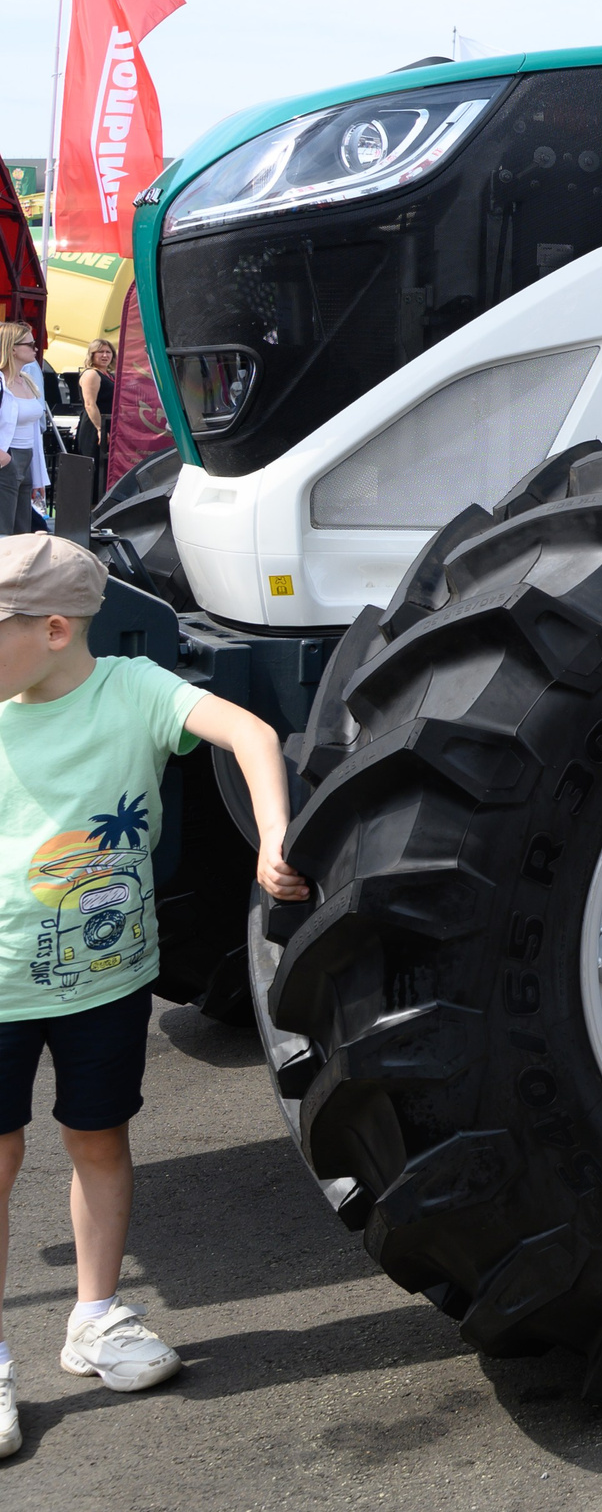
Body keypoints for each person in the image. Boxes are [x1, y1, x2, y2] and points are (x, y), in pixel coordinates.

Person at [0, 535, 308, 1456]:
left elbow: (250, 734)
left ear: (55, 629)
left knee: (98, 1139)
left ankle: (94, 1318)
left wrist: (273, 836)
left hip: (107, 980)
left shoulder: (133, 690)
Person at [0, 330, 47, 538]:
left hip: (26, 458)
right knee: (4, 529)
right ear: (12, 349)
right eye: (30, 344)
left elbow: (35, 431)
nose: (36, 348)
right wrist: (4, 457)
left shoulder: (26, 380)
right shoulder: (1, 382)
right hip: (8, 457)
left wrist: (38, 476)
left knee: (22, 531)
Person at [74, 341, 115, 505]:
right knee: (94, 467)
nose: (105, 355)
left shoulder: (109, 375)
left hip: (109, 424)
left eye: (108, 352)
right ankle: (89, 508)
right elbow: (90, 404)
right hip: (94, 425)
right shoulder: (91, 374)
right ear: (92, 355)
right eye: (100, 352)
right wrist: (100, 429)